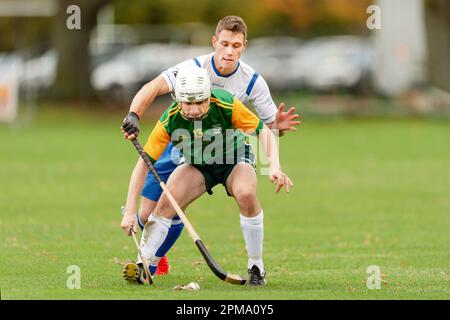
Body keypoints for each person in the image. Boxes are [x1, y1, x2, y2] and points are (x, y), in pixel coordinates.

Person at [120, 16, 300, 275]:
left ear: (244, 46)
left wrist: (275, 150)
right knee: (151, 210)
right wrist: (134, 115)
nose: (229, 51)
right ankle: (146, 262)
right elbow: (153, 87)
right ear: (215, 42)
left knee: (245, 194)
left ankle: (255, 266)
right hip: (187, 149)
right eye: (225, 44)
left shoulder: (248, 85)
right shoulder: (189, 73)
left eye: (236, 46)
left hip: (229, 153)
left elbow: (265, 130)